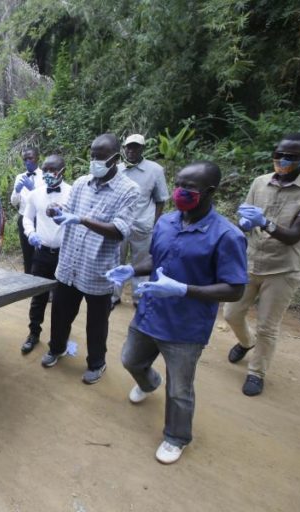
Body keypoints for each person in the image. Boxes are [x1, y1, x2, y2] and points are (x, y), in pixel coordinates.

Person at [106, 161, 248, 464]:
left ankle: (176, 436)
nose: (180, 191)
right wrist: (132, 268)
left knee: (180, 388)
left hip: (185, 325)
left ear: (210, 192)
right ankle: (148, 383)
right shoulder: (167, 222)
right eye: (179, 183)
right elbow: (155, 260)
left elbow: (234, 289)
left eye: (190, 187)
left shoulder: (226, 235)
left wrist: (186, 290)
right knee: (130, 359)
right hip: (150, 312)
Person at [223, 132, 300, 396]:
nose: (282, 160)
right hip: (251, 260)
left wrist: (265, 223)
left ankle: (256, 372)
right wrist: (245, 224)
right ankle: (246, 342)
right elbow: (244, 217)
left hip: (283, 268)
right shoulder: (260, 182)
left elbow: (294, 236)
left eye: (291, 157)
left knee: (268, 326)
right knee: (231, 314)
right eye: (279, 154)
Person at [41, 134, 139, 384]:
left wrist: (81, 219)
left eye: (100, 156)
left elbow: (119, 230)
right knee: (61, 313)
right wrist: (58, 212)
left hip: (97, 268)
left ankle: (97, 363)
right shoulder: (82, 183)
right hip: (69, 263)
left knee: (96, 322)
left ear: (116, 158)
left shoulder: (128, 190)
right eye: (92, 155)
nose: (94, 160)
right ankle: (56, 348)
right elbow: (69, 213)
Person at [19, 155, 71, 354]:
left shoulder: (73, 193)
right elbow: (27, 218)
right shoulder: (36, 194)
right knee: (38, 296)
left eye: (53, 170)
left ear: (62, 171)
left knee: (61, 300)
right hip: (41, 253)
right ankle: (33, 333)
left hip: (64, 254)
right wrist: (31, 233)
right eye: (46, 170)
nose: (49, 174)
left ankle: (58, 341)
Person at [112, 133, 169, 310]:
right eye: (128, 147)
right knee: (116, 259)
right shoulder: (117, 169)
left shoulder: (155, 170)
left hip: (143, 223)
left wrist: (155, 222)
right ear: (124, 149)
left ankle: (139, 297)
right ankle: (113, 296)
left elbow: (160, 199)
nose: (131, 150)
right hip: (119, 223)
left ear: (142, 149)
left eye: (135, 147)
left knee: (141, 262)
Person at [11, 148, 45, 274]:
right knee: (27, 252)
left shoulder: (45, 175)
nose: (28, 162)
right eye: (25, 159)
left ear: (37, 158)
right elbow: (14, 202)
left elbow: (45, 199)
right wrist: (17, 190)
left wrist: (33, 189)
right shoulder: (20, 177)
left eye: (30, 158)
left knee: (42, 252)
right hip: (23, 217)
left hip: (41, 218)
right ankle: (28, 280)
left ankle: (42, 282)